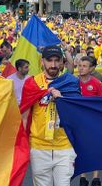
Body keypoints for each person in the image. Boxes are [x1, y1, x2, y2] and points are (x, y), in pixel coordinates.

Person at [22, 45, 77, 186]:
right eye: (49, 60)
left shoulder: (70, 82)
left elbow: (77, 113)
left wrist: (62, 99)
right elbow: (24, 115)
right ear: (42, 61)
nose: (53, 65)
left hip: (64, 146)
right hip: (39, 147)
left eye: (56, 60)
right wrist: (22, 144)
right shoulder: (32, 83)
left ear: (61, 62)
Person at [78, 56, 102, 186]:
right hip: (79, 121)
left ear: (91, 69)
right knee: (82, 149)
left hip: (94, 121)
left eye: (84, 66)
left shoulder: (96, 83)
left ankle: (95, 178)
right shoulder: (74, 82)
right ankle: (83, 177)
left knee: (95, 149)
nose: (81, 68)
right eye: (80, 65)